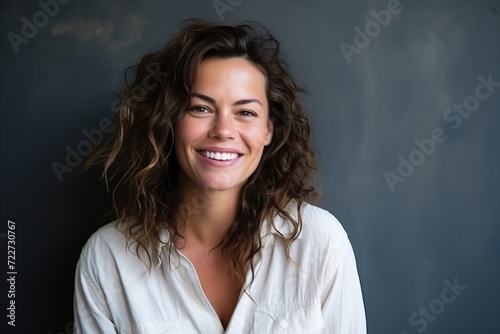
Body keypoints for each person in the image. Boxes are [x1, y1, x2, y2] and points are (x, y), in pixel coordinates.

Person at [74, 19, 366, 333]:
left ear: (269, 129)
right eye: (201, 108)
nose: (223, 130)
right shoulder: (107, 258)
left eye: (246, 112)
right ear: (170, 121)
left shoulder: (320, 243)